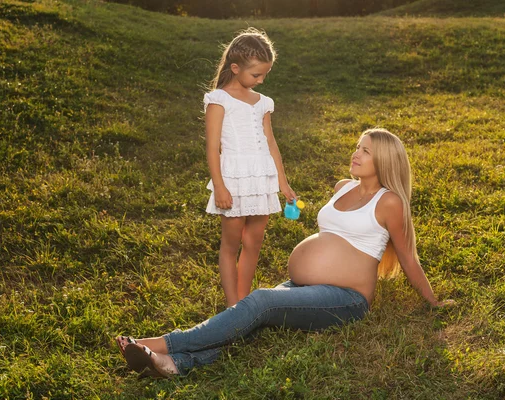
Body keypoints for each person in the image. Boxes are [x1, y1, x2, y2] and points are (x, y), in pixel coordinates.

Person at [116, 128, 455, 378]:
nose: (356, 153)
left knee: (260, 302)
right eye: (357, 147)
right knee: (252, 321)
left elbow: (408, 256)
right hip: (306, 287)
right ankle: (173, 365)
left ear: (383, 159)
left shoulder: (390, 202)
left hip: (347, 299)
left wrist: (433, 302)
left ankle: (162, 344)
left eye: (365, 151)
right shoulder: (343, 187)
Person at [203, 28, 296, 307]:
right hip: (233, 179)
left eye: (264, 75)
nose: (261, 80)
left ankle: (243, 303)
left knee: (254, 242)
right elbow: (212, 147)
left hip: (261, 179)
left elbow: (271, 143)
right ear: (235, 68)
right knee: (231, 243)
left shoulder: (262, 102)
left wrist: (282, 182)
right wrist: (219, 185)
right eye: (256, 75)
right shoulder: (219, 100)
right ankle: (232, 305)